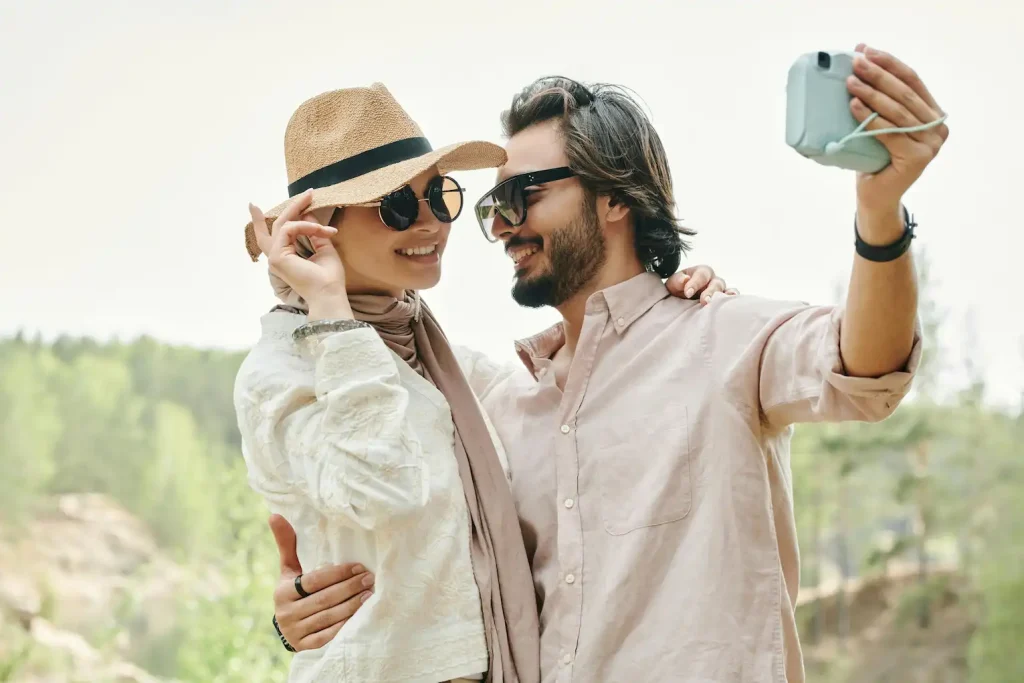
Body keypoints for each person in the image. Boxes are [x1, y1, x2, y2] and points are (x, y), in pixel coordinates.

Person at [271, 45, 948, 682]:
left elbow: (868, 367)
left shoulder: (724, 337)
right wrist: (297, 613)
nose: (500, 224)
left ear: (616, 197)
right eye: (490, 206)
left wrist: (880, 212)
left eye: (522, 196)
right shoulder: (498, 407)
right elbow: (430, 561)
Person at [234, 84, 733, 683]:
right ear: (318, 229)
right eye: (396, 205)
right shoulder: (281, 372)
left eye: (439, 197)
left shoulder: (444, 366)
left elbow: (579, 392)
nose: (430, 223)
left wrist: (666, 297)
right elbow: (378, 488)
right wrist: (331, 312)